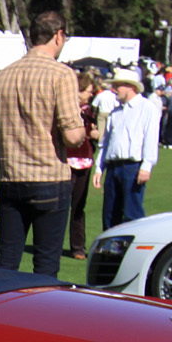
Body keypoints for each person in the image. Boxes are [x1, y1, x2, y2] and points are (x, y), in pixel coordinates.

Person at [0, 10, 86, 275]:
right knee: (46, 264)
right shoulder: (61, 75)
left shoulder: (3, 75)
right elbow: (73, 136)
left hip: (12, 178)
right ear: (58, 35)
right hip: (49, 176)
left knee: (6, 262)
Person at [93, 69, 158, 232]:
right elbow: (106, 143)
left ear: (130, 87)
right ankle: (110, 252)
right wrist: (99, 168)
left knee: (132, 213)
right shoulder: (115, 112)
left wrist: (146, 166)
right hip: (114, 166)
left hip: (133, 166)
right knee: (109, 213)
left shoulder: (147, 108)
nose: (114, 89)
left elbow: (151, 139)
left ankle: (134, 252)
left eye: (117, 86)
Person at [64, 69, 99, 259]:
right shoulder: (66, 110)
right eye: (88, 92)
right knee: (60, 205)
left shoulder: (91, 112)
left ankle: (78, 247)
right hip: (66, 160)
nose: (90, 95)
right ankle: (49, 244)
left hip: (85, 160)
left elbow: (94, 133)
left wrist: (95, 135)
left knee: (78, 206)